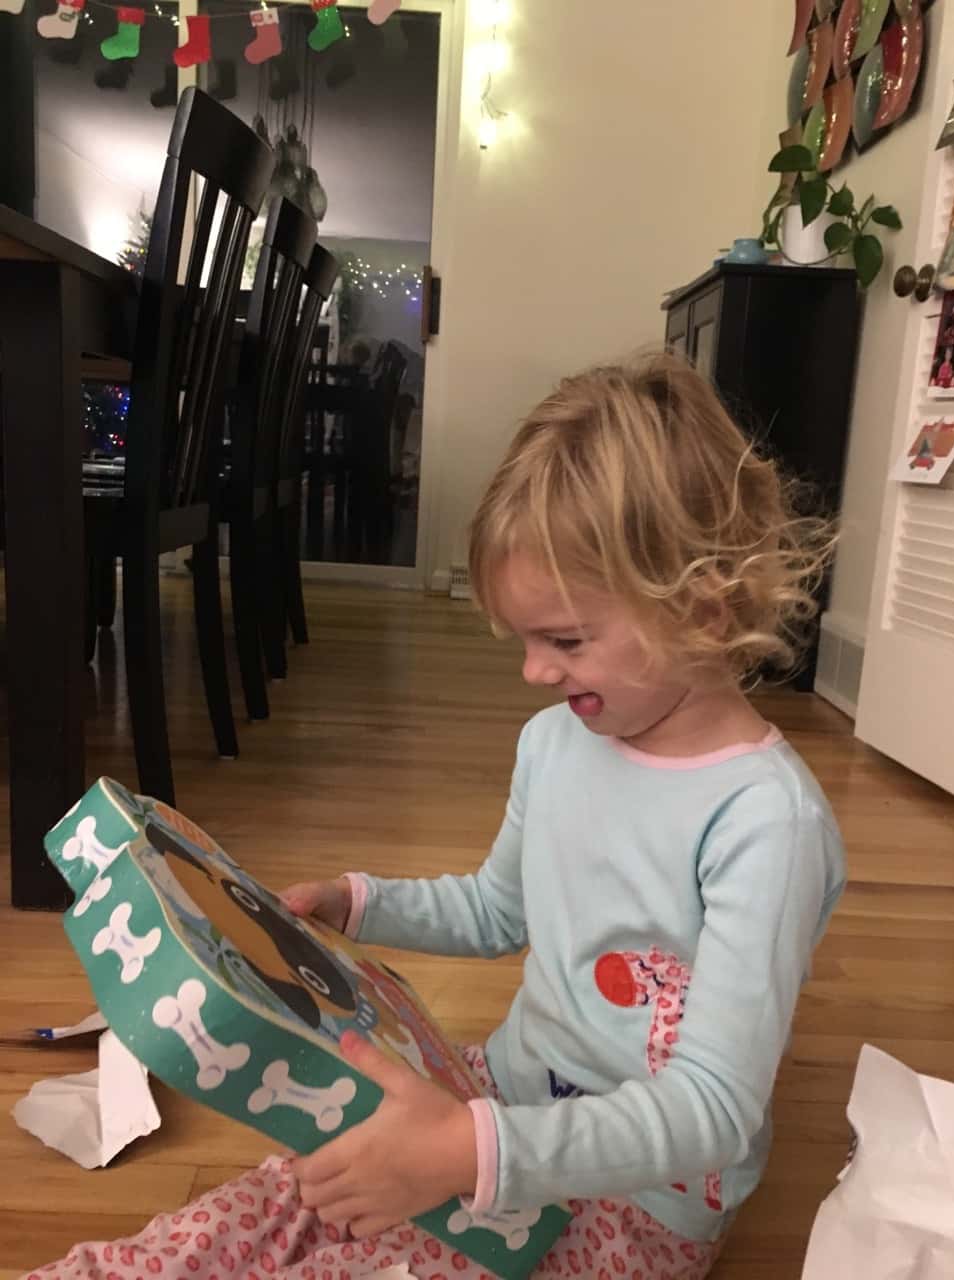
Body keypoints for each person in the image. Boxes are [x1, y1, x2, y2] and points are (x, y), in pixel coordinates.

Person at [30, 352, 845, 1280]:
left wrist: (465, 1153)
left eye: (565, 640)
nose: (535, 670)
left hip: (643, 1200)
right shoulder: (555, 742)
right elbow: (500, 910)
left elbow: (712, 1109)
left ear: (703, 606)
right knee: (296, 1193)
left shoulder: (766, 823)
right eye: (525, 639)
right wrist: (356, 900)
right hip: (502, 1096)